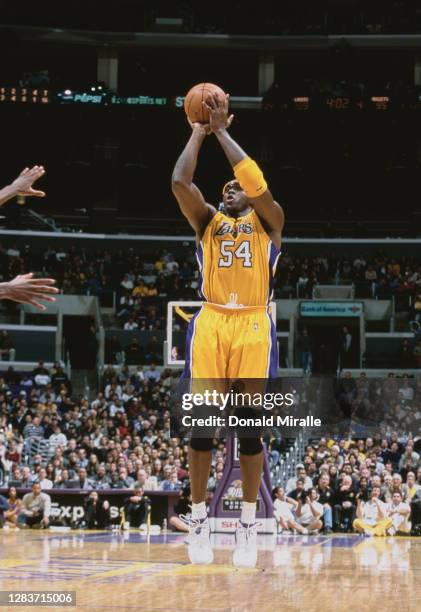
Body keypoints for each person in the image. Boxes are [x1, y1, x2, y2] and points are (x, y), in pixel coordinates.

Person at [172, 91, 284, 567]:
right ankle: (199, 520)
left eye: (234, 187)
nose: (229, 190)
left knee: (251, 432)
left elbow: (257, 186)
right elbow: (180, 181)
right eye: (224, 189)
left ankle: (247, 528)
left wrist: (222, 132)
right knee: (201, 430)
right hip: (213, 320)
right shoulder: (208, 223)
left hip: (254, 323)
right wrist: (198, 131)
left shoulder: (269, 223)